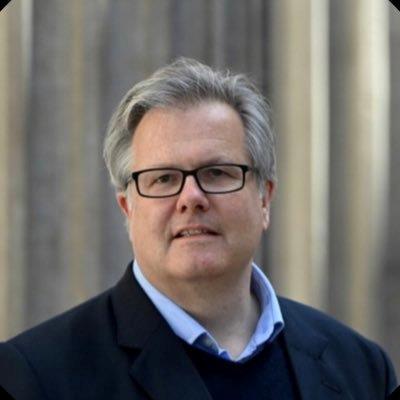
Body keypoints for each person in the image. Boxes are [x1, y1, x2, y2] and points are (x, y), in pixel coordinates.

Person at [0, 58, 397, 400]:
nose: (191, 197)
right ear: (128, 208)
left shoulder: (364, 369)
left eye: (217, 172)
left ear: (264, 199)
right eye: (163, 179)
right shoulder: (34, 377)